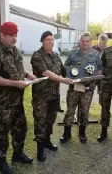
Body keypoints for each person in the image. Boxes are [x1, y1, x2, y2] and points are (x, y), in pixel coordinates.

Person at [0, 21, 34, 174]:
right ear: (2, 35)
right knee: (1, 133)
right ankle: (1, 162)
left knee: (21, 128)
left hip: (16, 101)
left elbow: (19, 65)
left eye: (16, 36)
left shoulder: (15, 50)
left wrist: (27, 74)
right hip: (1, 103)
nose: (14, 39)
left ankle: (18, 155)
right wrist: (15, 83)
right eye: (11, 36)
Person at [30, 31, 72, 162]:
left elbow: (65, 71)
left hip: (54, 96)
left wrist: (77, 73)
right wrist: (63, 80)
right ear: (42, 41)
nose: (51, 42)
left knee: (50, 121)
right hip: (41, 97)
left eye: (52, 40)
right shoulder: (37, 56)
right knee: (40, 122)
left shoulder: (56, 56)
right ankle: (40, 149)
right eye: (48, 39)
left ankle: (47, 141)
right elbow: (47, 73)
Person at [60, 32, 102, 143]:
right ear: (80, 41)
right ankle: (67, 133)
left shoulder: (96, 54)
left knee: (84, 111)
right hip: (74, 87)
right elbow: (66, 66)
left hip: (88, 88)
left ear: (90, 42)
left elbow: (100, 69)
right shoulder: (73, 53)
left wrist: (93, 77)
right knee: (70, 110)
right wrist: (68, 75)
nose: (85, 43)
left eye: (87, 41)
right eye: (83, 41)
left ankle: (82, 132)